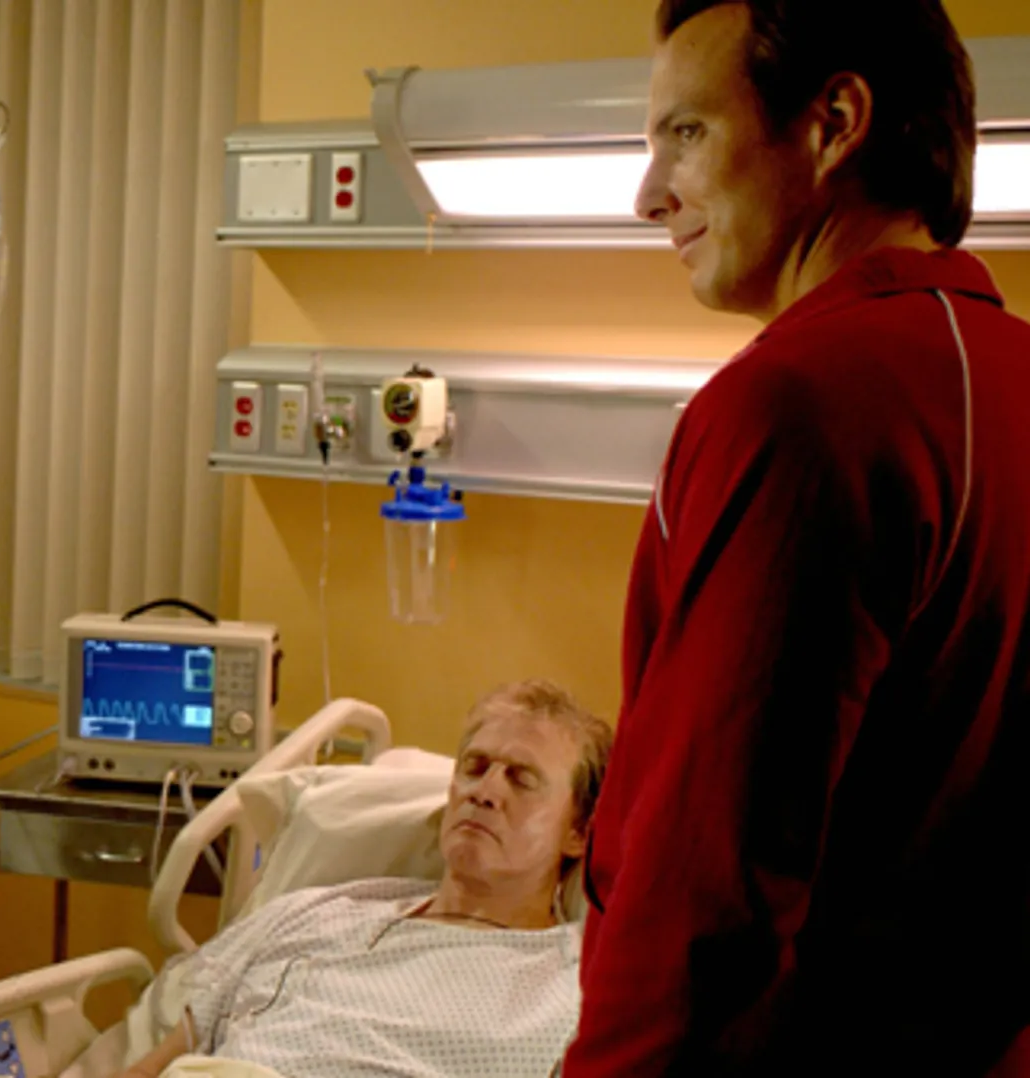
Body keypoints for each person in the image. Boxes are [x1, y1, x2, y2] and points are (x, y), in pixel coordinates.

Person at [564, 2, 1030, 1075]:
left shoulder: (801, 405)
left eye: (687, 133)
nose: (649, 195)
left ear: (834, 123)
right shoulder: (1011, 380)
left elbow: (705, 895)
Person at [113, 681, 613, 1078]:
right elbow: (154, 1063)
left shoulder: (574, 990)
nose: (484, 791)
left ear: (577, 832)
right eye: (475, 767)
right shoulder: (314, 912)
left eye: (521, 779)